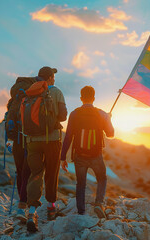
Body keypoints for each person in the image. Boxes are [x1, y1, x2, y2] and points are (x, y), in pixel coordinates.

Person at [60, 86, 114, 218]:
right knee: (102, 178)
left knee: (81, 183)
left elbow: (68, 137)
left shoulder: (74, 114)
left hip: (79, 155)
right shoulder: (101, 114)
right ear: (94, 98)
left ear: (81, 98)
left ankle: (81, 211)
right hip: (96, 155)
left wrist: (63, 157)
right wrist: (108, 118)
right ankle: (98, 204)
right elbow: (111, 134)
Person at [25, 66, 67, 232]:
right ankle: (51, 208)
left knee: (35, 174)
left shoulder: (30, 92)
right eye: (53, 76)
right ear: (49, 78)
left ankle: (31, 212)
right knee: (52, 172)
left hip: (32, 140)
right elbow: (63, 116)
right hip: (51, 139)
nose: (54, 79)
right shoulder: (56, 92)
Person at [5, 76, 36, 220]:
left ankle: (20, 204)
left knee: (19, 171)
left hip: (16, 140)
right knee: (28, 172)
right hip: (27, 140)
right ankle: (26, 205)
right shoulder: (29, 98)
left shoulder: (13, 101)